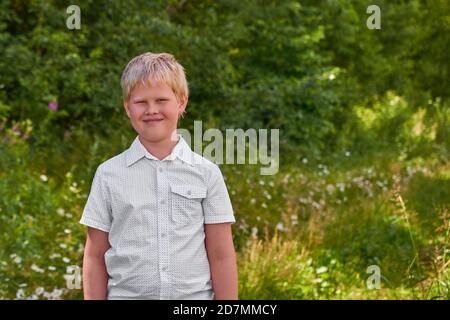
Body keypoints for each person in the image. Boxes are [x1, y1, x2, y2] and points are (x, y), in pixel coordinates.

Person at [79, 52, 238, 300]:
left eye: (162, 100)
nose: (151, 110)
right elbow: (95, 255)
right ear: (127, 108)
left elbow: (221, 255)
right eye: (141, 102)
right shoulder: (108, 174)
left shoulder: (206, 173)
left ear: (181, 103)